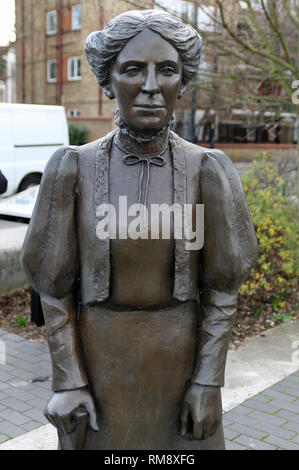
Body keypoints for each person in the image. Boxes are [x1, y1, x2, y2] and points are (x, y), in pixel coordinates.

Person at [21, 10, 258, 450]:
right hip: (98, 374)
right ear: (109, 81)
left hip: (182, 369)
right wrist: (68, 379)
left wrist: (208, 381)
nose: (151, 86)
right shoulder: (73, 169)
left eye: (166, 70)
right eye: (133, 69)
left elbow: (223, 288)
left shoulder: (207, 170)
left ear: (181, 83)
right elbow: (53, 289)